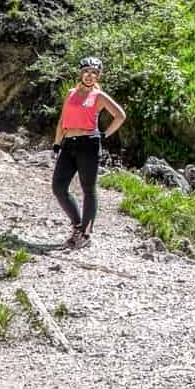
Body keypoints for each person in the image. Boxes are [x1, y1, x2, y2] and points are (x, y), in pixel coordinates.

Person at [52, 56, 126, 249]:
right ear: (81, 73)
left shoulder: (99, 96)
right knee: (59, 187)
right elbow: (62, 120)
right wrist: (57, 143)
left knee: (88, 190)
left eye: (94, 73)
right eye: (86, 71)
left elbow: (120, 115)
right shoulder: (70, 94)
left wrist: (104, 134)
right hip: (69, 143)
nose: (90, 75)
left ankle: (85, 234)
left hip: (89, 145)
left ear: (98, 76)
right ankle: (77, 225)